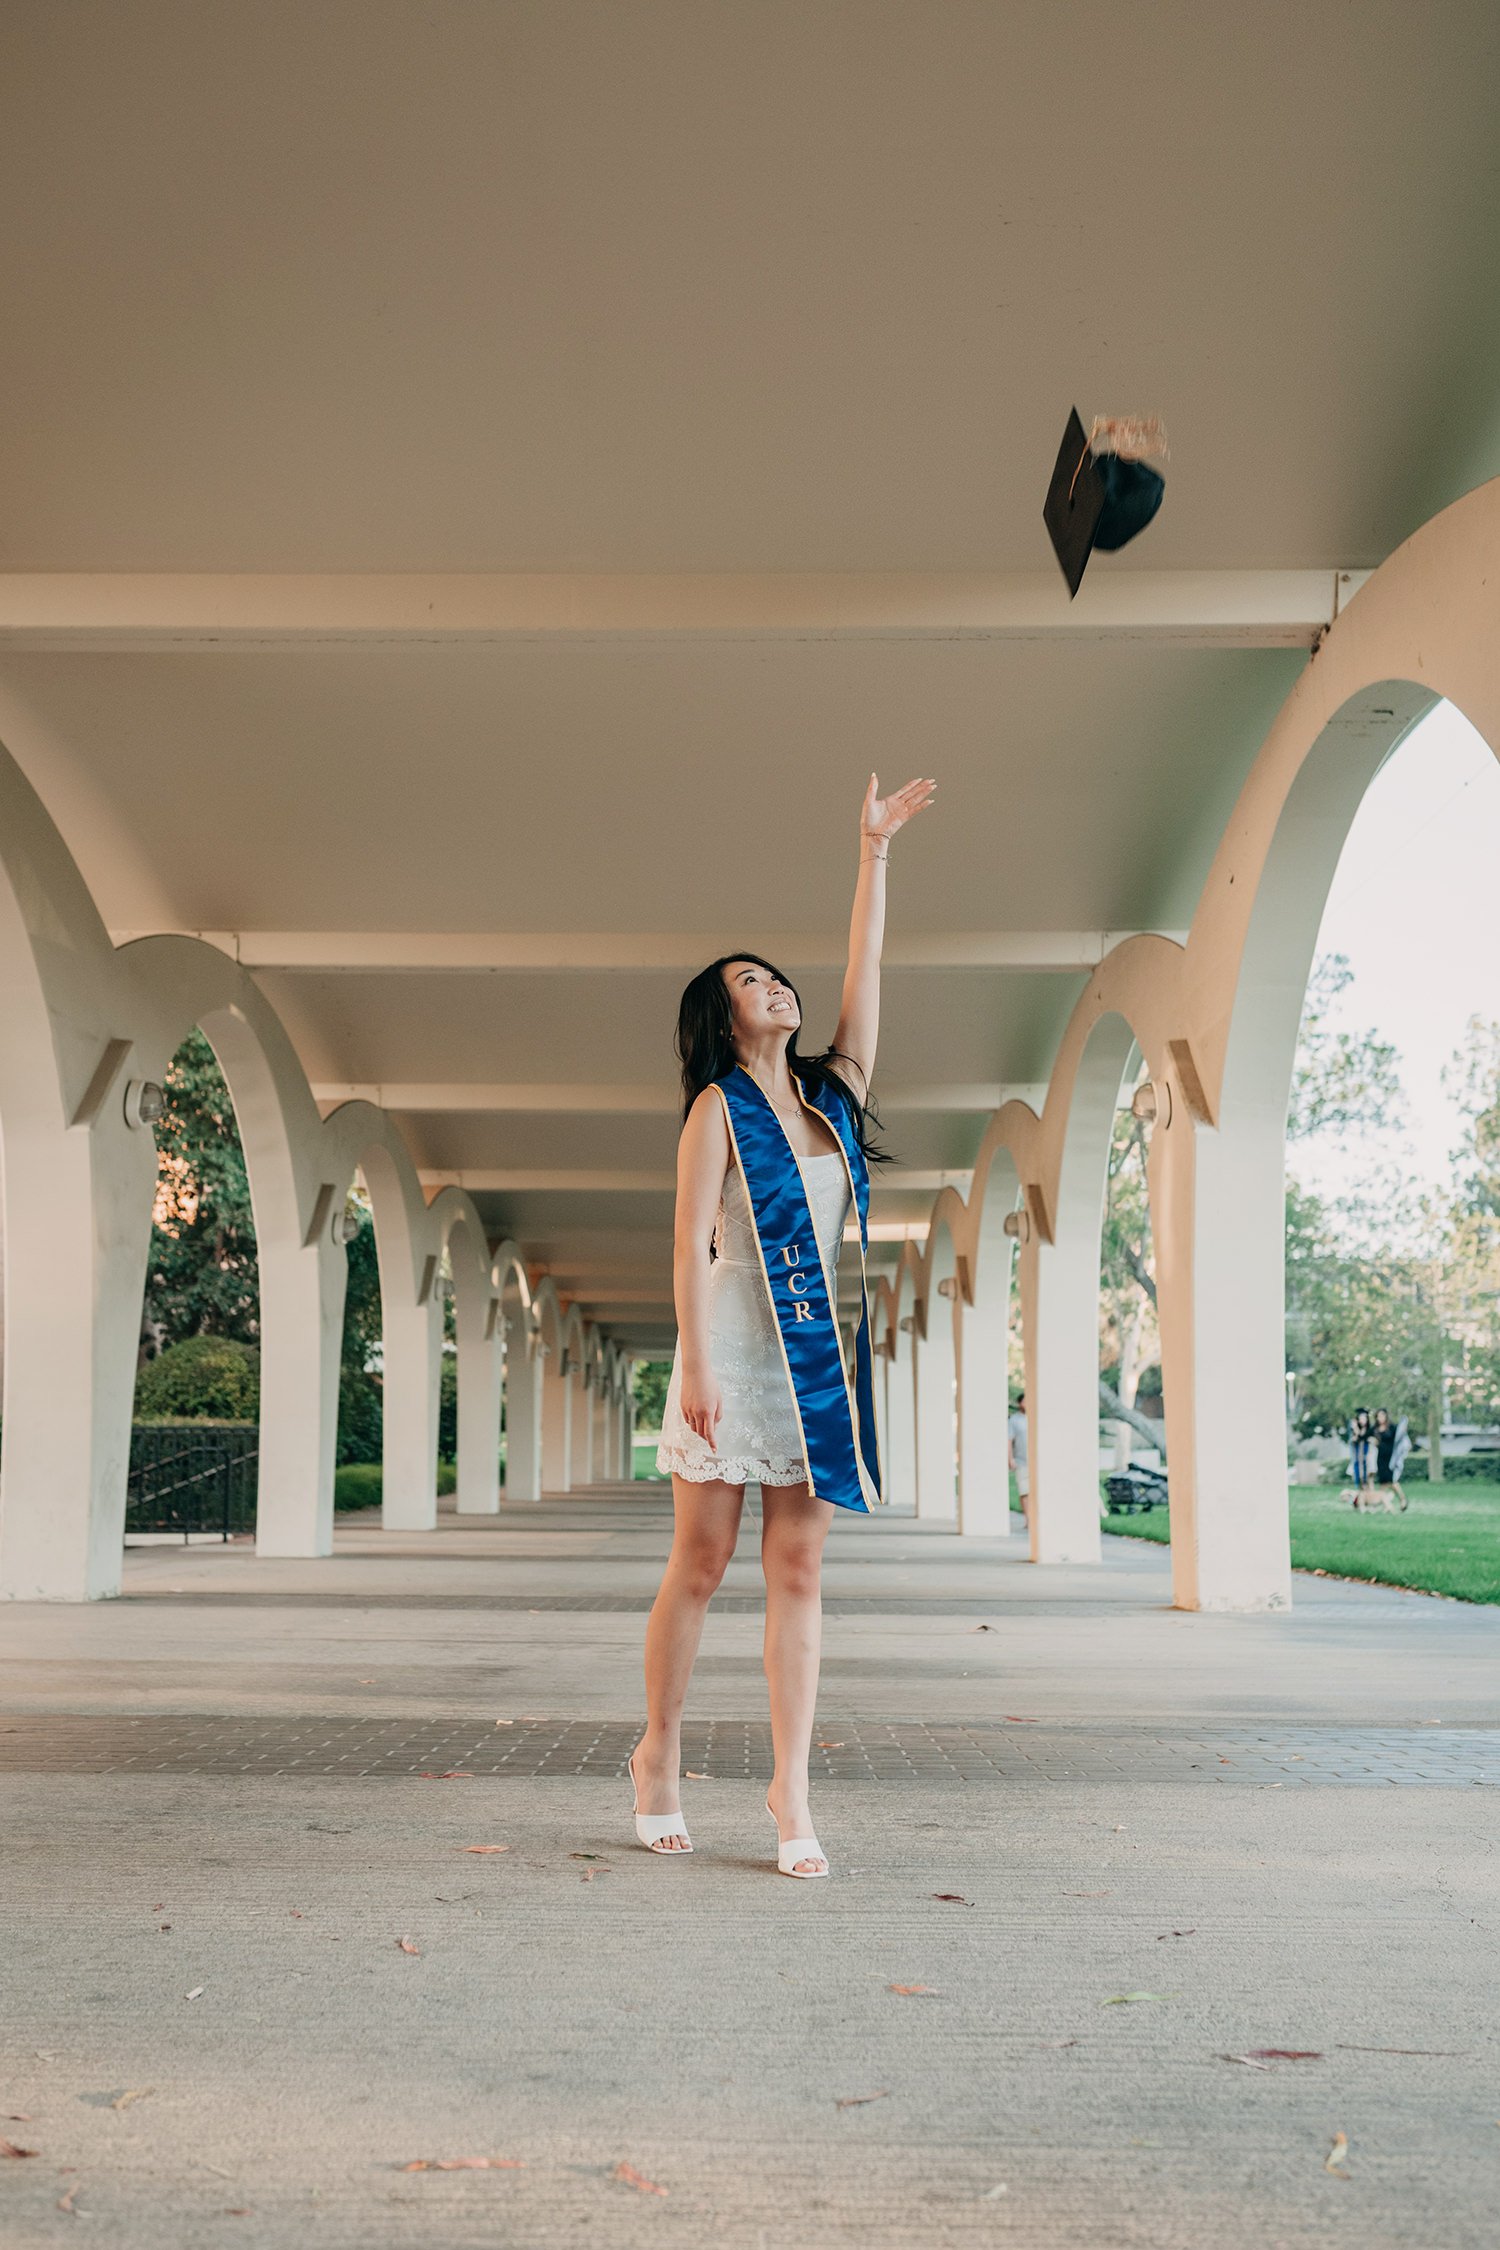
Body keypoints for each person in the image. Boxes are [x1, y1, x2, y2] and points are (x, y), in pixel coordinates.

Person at [632, 773, 937, 1876]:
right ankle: (658, 1756)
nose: (774, 986)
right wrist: (699, 1370)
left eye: (774, 975)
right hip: (728, 1349)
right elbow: (689, 1247)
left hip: (812, 1362)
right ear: (723, 1016)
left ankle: (790, 1785)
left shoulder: (833, 1098)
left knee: (801, 1571)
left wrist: (874, 851)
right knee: (702, 1561)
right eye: (749, 982)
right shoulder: (717, 1109)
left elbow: (867, 970)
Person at [1364, 1407, 1410, 1513]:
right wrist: (1372, 1440)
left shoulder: (1392, 1427)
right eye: (1379, 1416)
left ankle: (1402, 1500)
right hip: (1380, 1458)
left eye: (1382, 1416)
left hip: (1391, 1458)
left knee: (1391, 1481)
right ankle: (1384, 1504)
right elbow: (1366, 1436)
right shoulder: (1375, 1428)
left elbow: (1399, 1437)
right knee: (1383, 1482)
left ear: (1386, 1416)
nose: (1380, 1418)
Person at [1007, 1391, 1029, 1518]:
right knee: (1024, 1490)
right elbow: (1009, 1440)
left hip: (1036, 1462)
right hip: (1021, 1461)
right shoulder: (1014, 1420)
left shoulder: (1036, 1417)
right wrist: (1010, 1459)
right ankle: (1028, 1519)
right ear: (1020, 1403)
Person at [1347, 1407, 1371, 1509]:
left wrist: (1356, 1429)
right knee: (1359, 1479)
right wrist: (1355, 1428)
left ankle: (1368, 1501)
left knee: (1367, 1480)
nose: (1362, 1420)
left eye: (1364, 1418)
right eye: (1360, 1418)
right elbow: (1355, 1438)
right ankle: (1359, 1501)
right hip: (1358, 1460)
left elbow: (1362, 1436)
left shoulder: (1369, 1430)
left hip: (1367, 1459)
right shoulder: (1354, 1430)